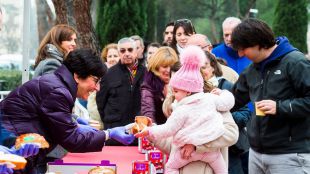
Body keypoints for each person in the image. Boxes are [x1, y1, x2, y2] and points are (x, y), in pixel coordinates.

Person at [0, 49, 135, 173]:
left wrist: (74, 122)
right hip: (11, 148)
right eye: (95, 80)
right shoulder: (58, 91)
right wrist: (108, 134)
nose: (97, 88)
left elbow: (52, 119)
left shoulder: (57, 85)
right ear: (77, 76)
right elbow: (71, 139)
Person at [136, 46, 235, 174]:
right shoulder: (176, 105)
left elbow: (231, 134)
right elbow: (172, 144)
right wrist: (150, 132)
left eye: (176, 89)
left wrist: (196, 145)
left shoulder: (212, 100)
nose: (173, 92)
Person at [230, 18, 310, 174]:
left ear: (257, 43)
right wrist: (216, 99)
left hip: (290, 156)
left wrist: (279, 107)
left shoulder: (295, 62)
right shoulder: (252, 69)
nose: (240, 54)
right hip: (255, 154)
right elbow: (235, 100)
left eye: (243, 48)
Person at [201, 51, 251, 174]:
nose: (201, 71)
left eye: (204, 67)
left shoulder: (226, 85)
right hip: (205, 149)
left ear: (213, 67)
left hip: (232, 149)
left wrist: (222, 120)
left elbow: (245, 114)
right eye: (196, 68)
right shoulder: (194, 89)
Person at [96, 37, 146, 146]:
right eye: (123, 51)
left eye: (130, 50)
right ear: (119, 53)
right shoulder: (109, 74)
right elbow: (101, 103)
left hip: (139, 132)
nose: (126, 53)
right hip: (115, 132)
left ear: (136, 52)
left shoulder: (147, 74)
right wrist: (109, 121)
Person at [141, 47, 178, 125]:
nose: (168, 70)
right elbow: (148, 112)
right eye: (165, 66)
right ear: (156, 67)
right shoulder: (148, 86)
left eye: (171, 66)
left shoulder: (181, 82)